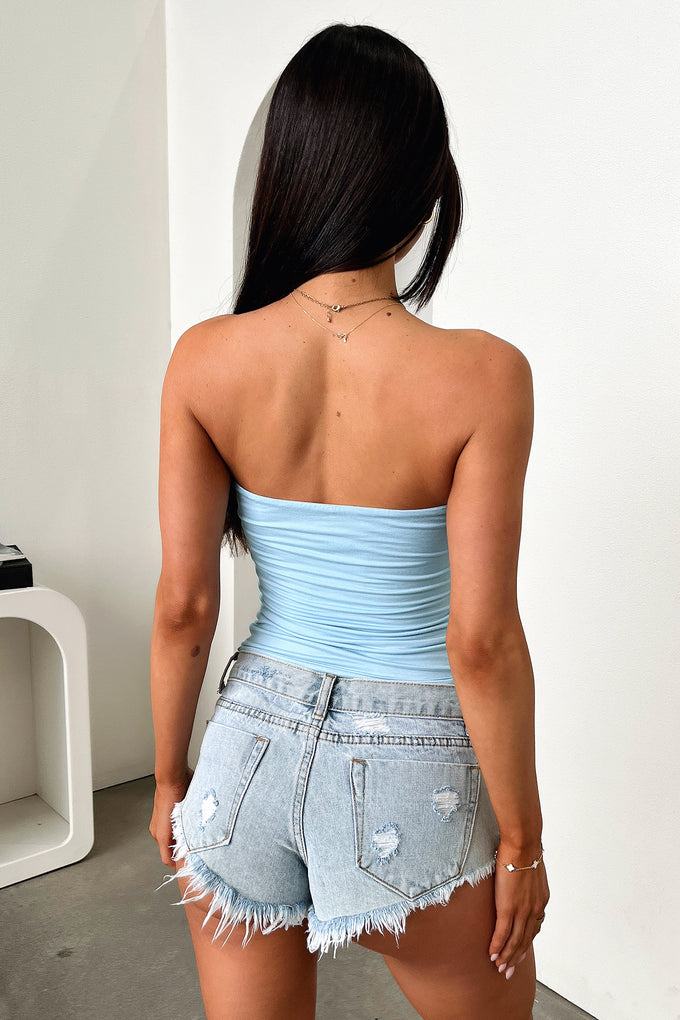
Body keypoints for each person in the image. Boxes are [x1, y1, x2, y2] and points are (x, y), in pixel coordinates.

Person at [149, 22, 549, 1020]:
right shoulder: (484, 376)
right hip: (412, 773)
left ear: (291, 177)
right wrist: (521, 843)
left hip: (243, 755)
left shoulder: (204, 359)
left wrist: (166, 781)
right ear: (422, 190)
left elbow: (185, 607)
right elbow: (481, 643)